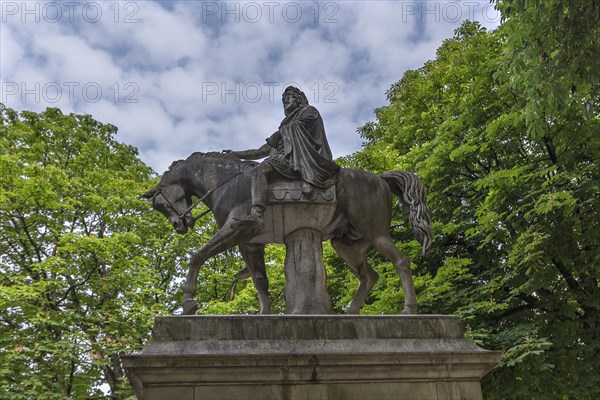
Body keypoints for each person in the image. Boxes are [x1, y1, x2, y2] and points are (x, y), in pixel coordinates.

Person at [226, 86, 339, 231]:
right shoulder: (285, 128)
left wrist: (279, 134)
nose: (285, 101)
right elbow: (260, 151)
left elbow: (299, 126)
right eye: (283, 100)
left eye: (288, 97)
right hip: (281, 161)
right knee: (251, 172)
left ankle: (257, 214)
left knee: (258, 172)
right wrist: (236, 154)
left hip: (299, 160)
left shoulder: (309, 111)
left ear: (298, 99)